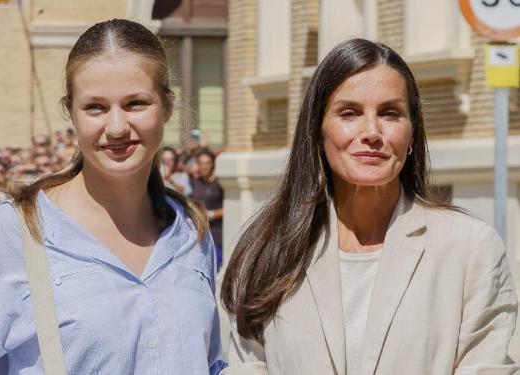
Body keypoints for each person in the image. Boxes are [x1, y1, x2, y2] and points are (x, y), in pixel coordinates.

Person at [220, 38, 518, 375]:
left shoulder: (469, 249)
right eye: (349, 113)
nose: (372, 132)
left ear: (411, 133)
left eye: (390, 114)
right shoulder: (268, 249)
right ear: (318, 129)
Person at [0, 19, 226, 374]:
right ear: (71, 111)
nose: (116, 127)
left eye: (136, 104)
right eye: (95, 107)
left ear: (167, 105)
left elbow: (208, 362)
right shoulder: (14, 233)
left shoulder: (190, 232)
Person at [190, 149, 224, 269]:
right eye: (201, 163)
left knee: (214, 269)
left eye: (207, 163)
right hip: (197, 236)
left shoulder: (220, 184)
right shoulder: (194, 183)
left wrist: (211, 214)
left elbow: (228, 208)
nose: (204, 167)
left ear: (213, 164)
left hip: (216, 237)